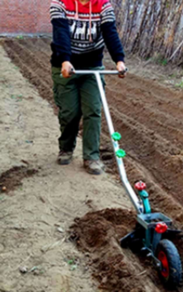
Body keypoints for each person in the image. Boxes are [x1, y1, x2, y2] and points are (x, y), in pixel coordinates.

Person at [50, 0, 126, 175]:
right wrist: (65, 60)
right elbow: (60, 33)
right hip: (65, 65)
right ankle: (66, 148)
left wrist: (119, 60)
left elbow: (110, 33)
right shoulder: (60, 4)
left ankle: (91, 156)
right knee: (70, 112)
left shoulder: (103, 5)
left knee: (93, 110)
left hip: (92, 66)